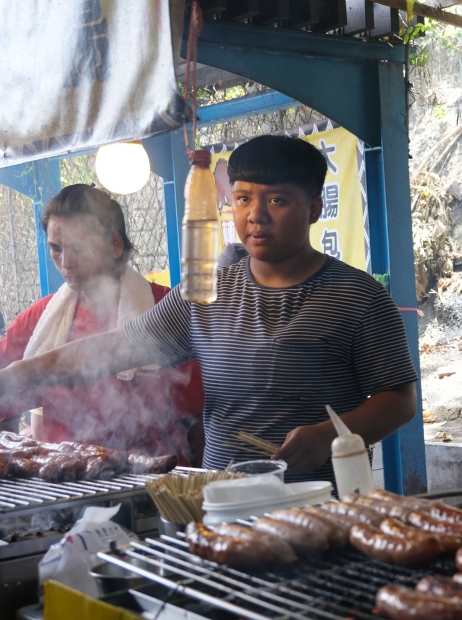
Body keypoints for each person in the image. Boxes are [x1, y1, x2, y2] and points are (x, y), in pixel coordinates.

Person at [0, 136, 418, 483]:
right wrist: (15, 376)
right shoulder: (203, 294)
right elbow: (110, 350)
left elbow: (399, 400)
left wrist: (330, 435)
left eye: (276, 201)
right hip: (223, 497)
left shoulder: (358, 296)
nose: (256, 216)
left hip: (320, 497)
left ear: (314, 207)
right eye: (242, 199)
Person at [0, 185, 204, 463]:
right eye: (56, 249)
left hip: (155, 478)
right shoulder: (38, 321)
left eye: (78, 248)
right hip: (64, 480)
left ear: (115, 245)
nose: (66, 263)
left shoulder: (163, 311)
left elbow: (196, 422)